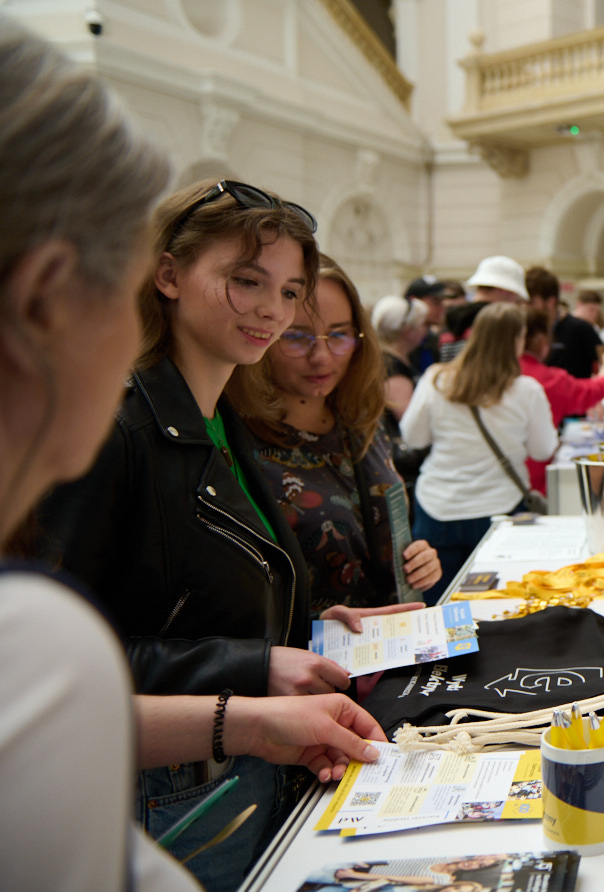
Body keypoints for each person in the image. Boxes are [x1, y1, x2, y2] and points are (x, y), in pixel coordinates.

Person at [1, 18, 384, 891]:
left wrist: (292, 645)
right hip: (176, 789)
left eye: (287, 292)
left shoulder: (223, 417)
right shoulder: (128, 425)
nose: (274, 314)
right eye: (247, 281)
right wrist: (250, 679)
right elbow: (89, 649)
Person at [231, 256, 442, 615]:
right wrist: (311, 623)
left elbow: (380, 528)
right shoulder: (237, 442)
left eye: (339, 335)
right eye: (297, 337)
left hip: (394, 644)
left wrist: (419, 560)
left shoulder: (362, 422)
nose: (322, 358)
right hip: (308, 661)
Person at [401, 303, 558, 600]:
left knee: (440, 607)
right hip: (500, 509)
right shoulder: (526, 390)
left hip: (438, 507)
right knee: (499, 605)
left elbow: (413, 437)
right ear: (516, 340)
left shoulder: (437, 378)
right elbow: (542, 450)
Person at [521, 306, 604, 493]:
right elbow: (588, 392)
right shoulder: (546, 380)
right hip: (530, 480)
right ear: (542, 341)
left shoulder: (491, 374)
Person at [371, 294, 428, 420]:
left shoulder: (397, 360)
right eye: (422, 324)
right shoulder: (392, 367)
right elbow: (408, 418)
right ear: (408, 331)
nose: (425, 329)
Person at [548, 289, 604, 379]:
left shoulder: (591, 328)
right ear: (579, 304)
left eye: (597, 312)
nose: (594, 315)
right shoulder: (584, 327)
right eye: (591, 310)